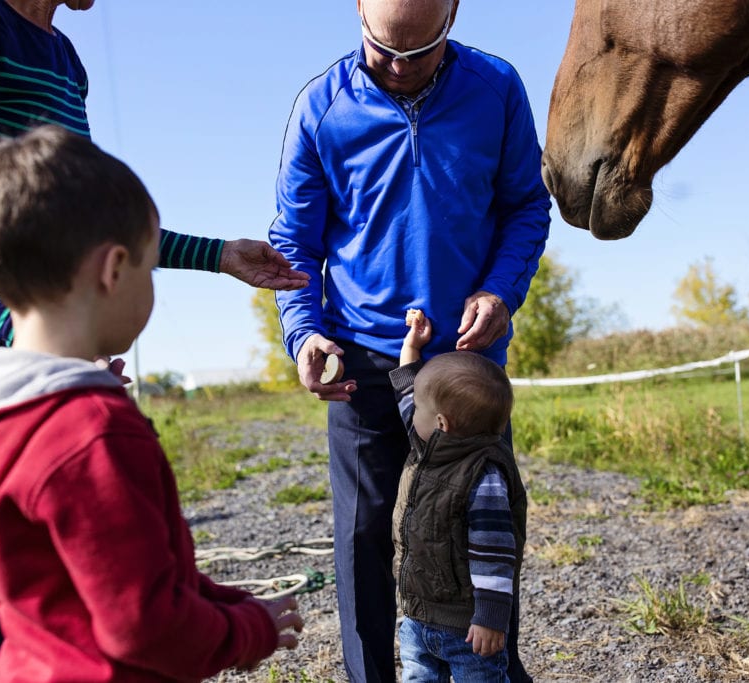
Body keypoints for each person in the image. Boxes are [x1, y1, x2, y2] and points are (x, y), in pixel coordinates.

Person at [0, 1, 308, 678]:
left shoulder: (61, 54)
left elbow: (80, 223)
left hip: (13, 338)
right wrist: (28, 336)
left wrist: (214, 253)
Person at [267, 0, 550, 679]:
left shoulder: (497, 89)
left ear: (451, 15)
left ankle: (491, 670)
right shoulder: (320, 108)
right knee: (364, 535)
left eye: (416, 55)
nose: (396, 71)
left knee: (480, 527)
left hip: (463, 366)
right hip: (359, 362)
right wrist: (303, 331)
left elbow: (526, 207)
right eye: (380, 50)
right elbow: (293, 243)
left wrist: (500, 291)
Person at [389, 311, 527, 683]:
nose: (410, 411)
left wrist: (491, 619)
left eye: (419, 409)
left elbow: (495, 554)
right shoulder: (427, 448)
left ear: (442, 424)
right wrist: (411, 348)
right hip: (417, 618)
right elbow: (408, 394)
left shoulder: (485, 479)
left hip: (467, 630)